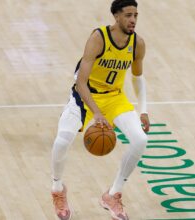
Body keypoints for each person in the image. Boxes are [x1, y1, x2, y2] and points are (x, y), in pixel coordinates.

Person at [50, 0, 149, 219]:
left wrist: (143, 111)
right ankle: (57, 189)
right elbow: (81, 83)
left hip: (114, 97)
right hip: (85, 96)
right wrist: (96, 112)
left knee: (140, 140)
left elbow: (137, 77)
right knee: (62, 140)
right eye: (128, 15)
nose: (133, 20)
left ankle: (113, 194)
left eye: (136, 15)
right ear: (116, 16)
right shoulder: (98, 38)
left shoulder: (138, 43)